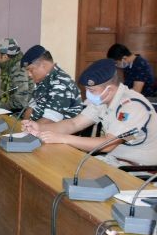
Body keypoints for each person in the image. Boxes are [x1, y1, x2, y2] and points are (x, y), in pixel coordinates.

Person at [23, 59, 157, 166]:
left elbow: (107, 145)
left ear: (109, 89)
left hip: (139, 170)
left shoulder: (131, 106)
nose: (88, 94)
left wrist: (63, 138)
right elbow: (74, 124)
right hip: (116, 161)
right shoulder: (102, 100)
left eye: (91, 90)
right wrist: (39, 127)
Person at [20, 45, 83, 124]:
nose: (29, 74)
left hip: (55, 133)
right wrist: (24, 126)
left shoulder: (61, 83)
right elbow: (30, 108)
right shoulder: (43, 81)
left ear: (44, 65)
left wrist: (26, 131)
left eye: (31, 70)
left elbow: (50, 121)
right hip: (36, 130)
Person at [0, 38, 34, 112]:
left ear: (5, 56)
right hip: (11, 110)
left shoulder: (19, 70)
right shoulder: (9, 66)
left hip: (20, 114)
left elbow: (20, 103)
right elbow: (6, 94)